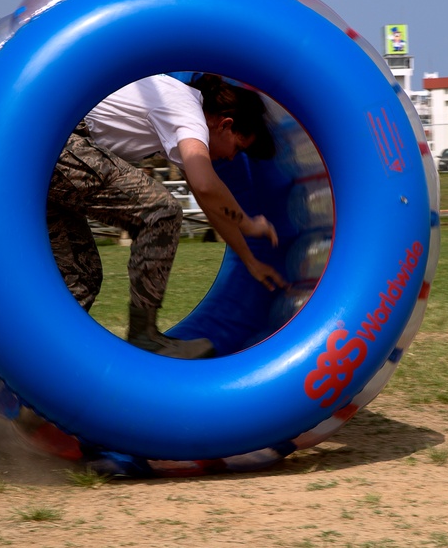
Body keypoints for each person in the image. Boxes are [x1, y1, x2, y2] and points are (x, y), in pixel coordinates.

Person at [47, 73, 286, 359]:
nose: (233, 158)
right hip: (59, 143)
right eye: (238, 148)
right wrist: (248, 223)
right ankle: (144, 336)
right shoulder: (187, 108)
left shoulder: (179, 112)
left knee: (81, 276)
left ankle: (34, 370)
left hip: (46, 153)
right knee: (162, 211)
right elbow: (207, 185)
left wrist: (250, 261)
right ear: (225, 124)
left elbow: (209, 203)